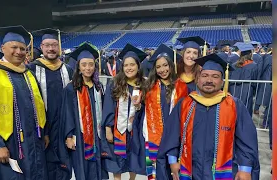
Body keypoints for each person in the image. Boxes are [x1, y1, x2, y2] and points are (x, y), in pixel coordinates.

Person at [158, 53, 260, 180]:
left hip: (223, 171)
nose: (209, 80)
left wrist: (245, 169)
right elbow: (172, 136)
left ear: (222, 81)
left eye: (215, 76)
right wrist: (173, 161)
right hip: (189, 170)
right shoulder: (185, 104)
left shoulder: (234, 105)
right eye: (204, 75)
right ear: (198, 79)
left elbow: (246, 141)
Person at [0, 25, 48, 180]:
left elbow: (39, 105)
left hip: (33, 140)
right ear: (3, 48)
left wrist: (44, 132)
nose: (19, 52)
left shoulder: (28, 73)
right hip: (9, 142)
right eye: (14, 47)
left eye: (22, 49)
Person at [132, 44, 188, 179]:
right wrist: (137, 105)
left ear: (171, 65)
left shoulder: (181, 86)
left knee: (172, 170)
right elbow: (141, 110)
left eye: (165, 65)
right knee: (155, 171)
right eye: (158, 67)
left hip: (174, 137)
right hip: (153, 135)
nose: (162, 70)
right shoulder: (149, 86)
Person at [28, 28, 74, 180]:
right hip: (42, 127)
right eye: (47, 45)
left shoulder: (67, 69)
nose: (51, 49)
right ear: (41, 47)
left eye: (54, 45)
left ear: (59, 47)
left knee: (65, 163)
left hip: (64, 126)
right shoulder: (32, 69)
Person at [61, 43, 108, 180]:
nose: (88, 68)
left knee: (100, 169)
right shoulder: (71, 88)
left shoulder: (99, 87)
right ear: (79, 68)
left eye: (91, 64)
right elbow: (67, 113)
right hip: (80, 136)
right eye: (84, 65)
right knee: (83, 169)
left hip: (97, 135)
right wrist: (68, 136)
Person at [101, 43, 146, 180]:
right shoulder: (115, 84)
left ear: (138, 66)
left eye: (132, 65)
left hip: (135, 129)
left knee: (134, 155)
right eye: (126, 65)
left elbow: (146, 109)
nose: (129, 68)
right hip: (117, 128)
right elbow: (108, 106)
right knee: (117, 157)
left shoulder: (144, 85)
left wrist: (139, 106)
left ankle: (132, 179)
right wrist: (108, 128)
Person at [229, 43, 258, 115]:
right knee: (245, 110)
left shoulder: (234, 65)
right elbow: (255, 80)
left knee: (234, 109)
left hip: (234, 90)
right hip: (247, 90)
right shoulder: (253, 65)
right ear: (250, 54)